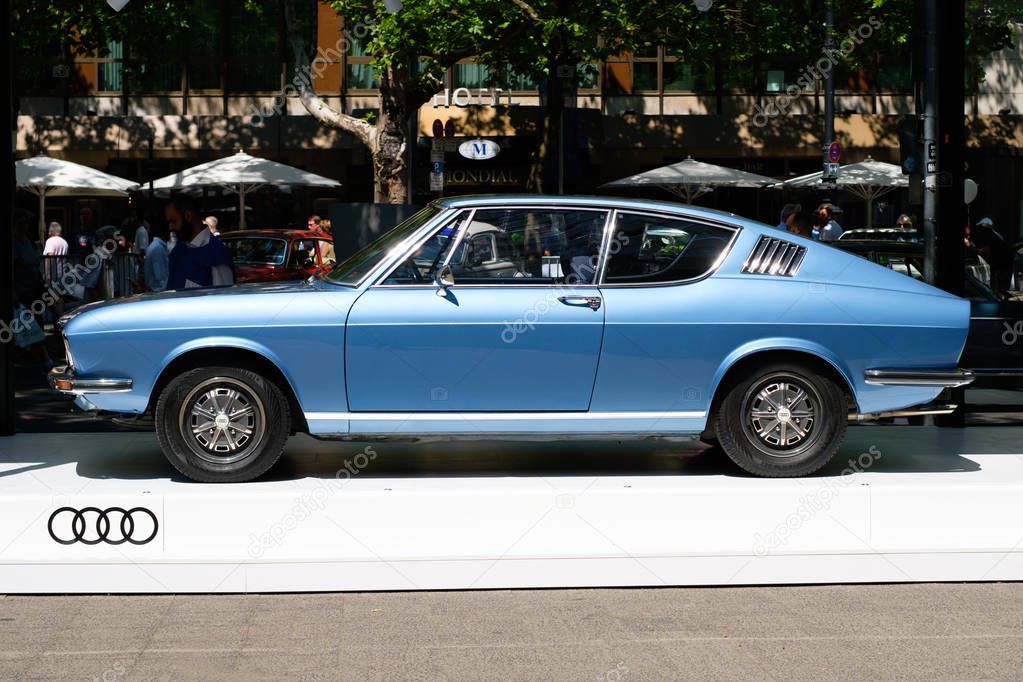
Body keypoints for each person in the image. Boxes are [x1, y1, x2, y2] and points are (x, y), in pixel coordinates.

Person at [167, 202, 235, 289]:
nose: (171, 227)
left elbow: (222, 295)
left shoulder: (216, 254)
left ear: (188, 216)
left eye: (174, 221)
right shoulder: (178, 250)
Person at [144, 225, 170, 292]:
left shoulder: (155, 246)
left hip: (155, 289)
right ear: (165, 233)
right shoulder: (158, 248)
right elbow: (161, 276)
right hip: (158, 290)